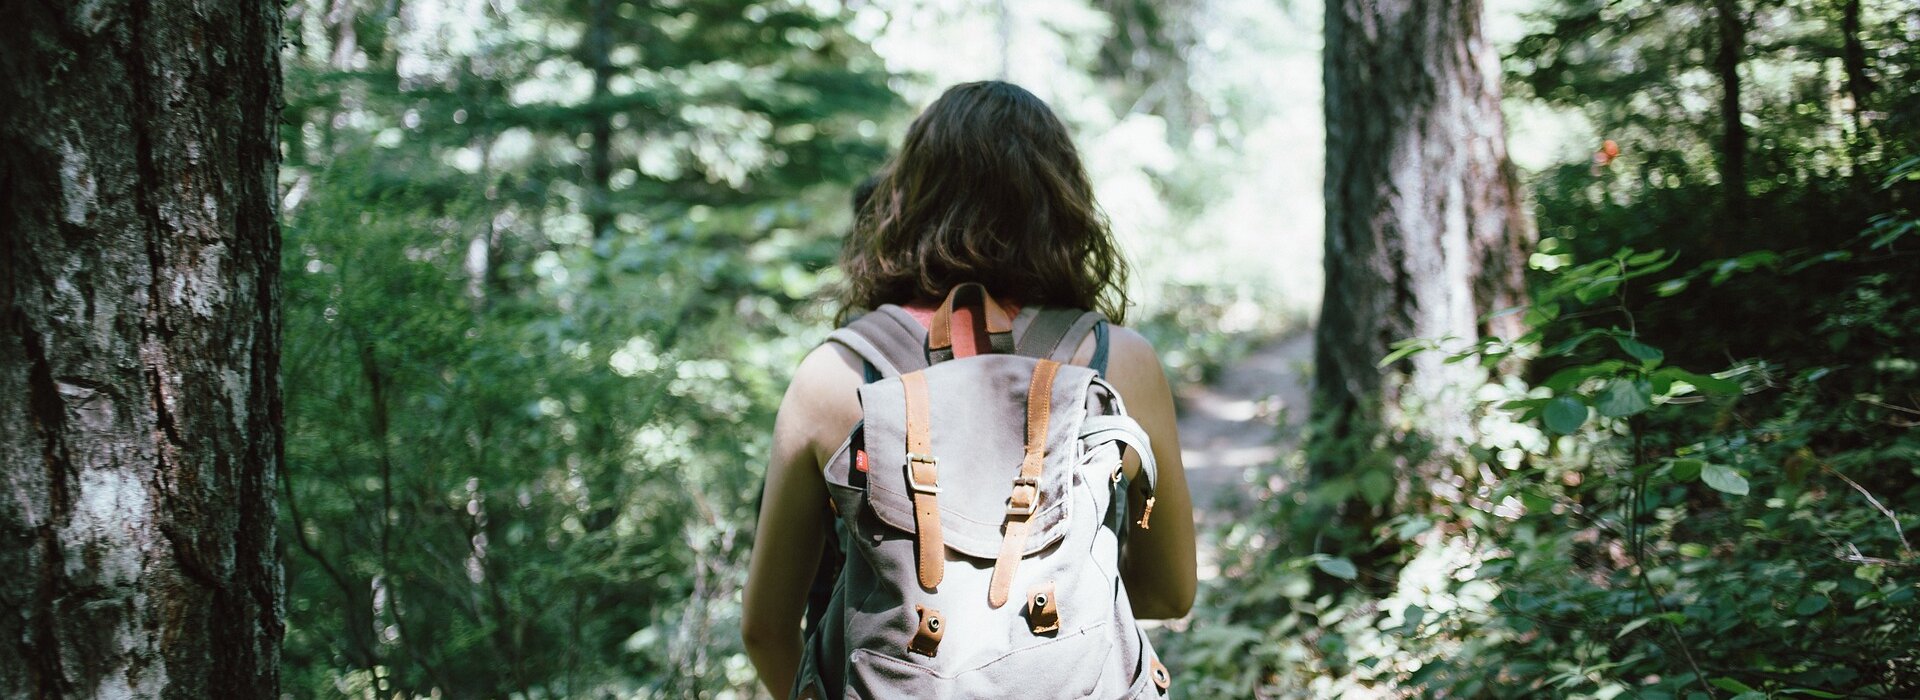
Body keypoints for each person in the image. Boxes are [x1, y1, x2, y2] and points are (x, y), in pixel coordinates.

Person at [741, 80, 1195, 699]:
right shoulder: (1121, 362)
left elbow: (766, 629)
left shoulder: (836, 374)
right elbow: (1170, 591)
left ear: (907, 200)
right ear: (1061, 205)